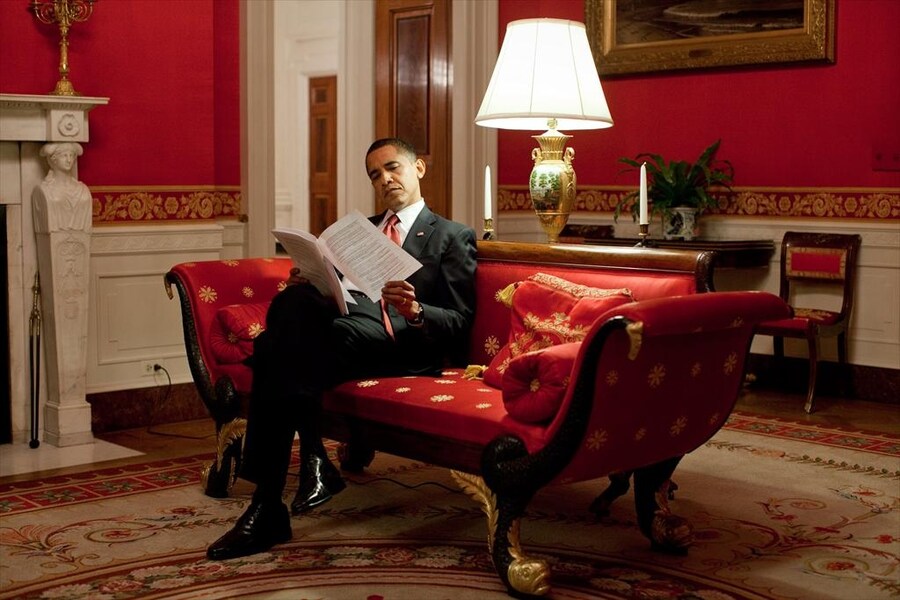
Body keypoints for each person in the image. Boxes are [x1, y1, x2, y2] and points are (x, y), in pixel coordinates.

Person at [207, 137, 477, 560]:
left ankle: (290, 482)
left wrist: (417, 308)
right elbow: (337, 296)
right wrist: (312, 278)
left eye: (393, 168)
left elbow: (460, 322)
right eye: (375, 174)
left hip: (399, 342)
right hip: (342, 331)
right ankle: (284, 488)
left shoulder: (451, 236)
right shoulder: (358, 233)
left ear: (418, 168)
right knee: (291, 303)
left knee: (273, 351)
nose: (385, 179)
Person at [33, 142, 93, 233]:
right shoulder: (44, 190)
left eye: (71, 156)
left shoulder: (83, 190)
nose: (69, 160)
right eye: (64, 155)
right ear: (54, 160)